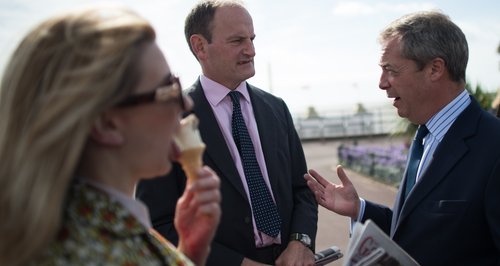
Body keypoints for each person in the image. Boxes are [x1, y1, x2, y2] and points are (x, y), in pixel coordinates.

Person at [0, 5, 221, 266]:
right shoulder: (89, 253)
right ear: (106, 124)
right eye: (168, 90)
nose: (185, 104)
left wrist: (188, 252)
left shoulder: (71, 232)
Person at [305, 11, 500, 265]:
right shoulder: (425, 136)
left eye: (390, 70)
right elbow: (414, 231)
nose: (381, 83)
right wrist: (359, 209)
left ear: (435, 69)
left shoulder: (494, 147)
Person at [137, 0, 318, 265]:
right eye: (237, 41)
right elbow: (157, 225)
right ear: (200, 47)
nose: (251, 50)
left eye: (252, 39)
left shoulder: (276, 108)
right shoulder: (167, 120)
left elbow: (302, 189)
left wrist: (301, 242)